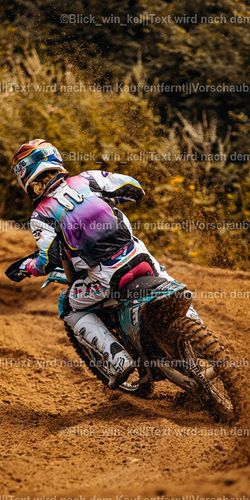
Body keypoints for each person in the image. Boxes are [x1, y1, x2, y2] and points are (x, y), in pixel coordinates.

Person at [11, 138, 172, 388]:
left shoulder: (41, 214)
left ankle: (118, 359)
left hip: (106, 277)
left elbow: (48, 259)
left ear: (26, 178)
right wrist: (110, 202)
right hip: (141, 258)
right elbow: (134, 187)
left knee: (68, 306)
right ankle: (192, 319)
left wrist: (25, 267)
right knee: (165, 278)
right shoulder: (89, 178)